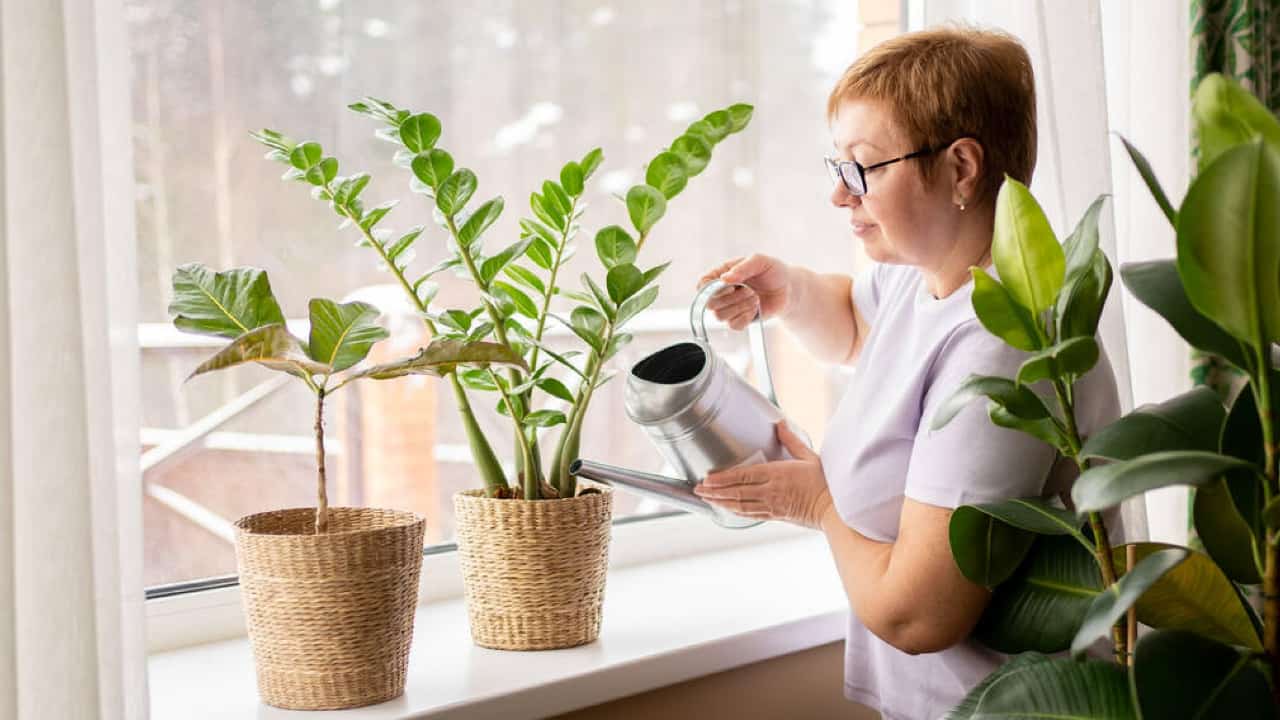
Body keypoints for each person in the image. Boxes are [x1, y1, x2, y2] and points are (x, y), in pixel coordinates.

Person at [692, 26, 1120, 720]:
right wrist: (789, 292)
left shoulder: (1005, 341)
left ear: (960, 169)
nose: (840, 196)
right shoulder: (923, 277)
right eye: (838, 166)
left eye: (862, 168)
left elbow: (917, 616)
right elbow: (857, 324)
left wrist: (818, 504)